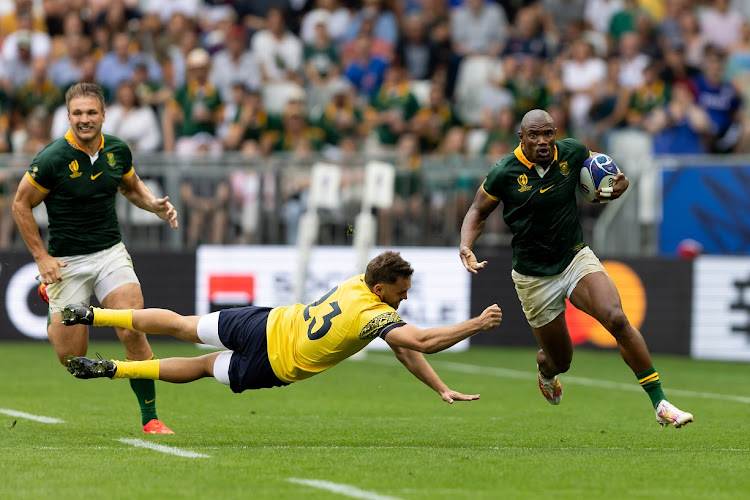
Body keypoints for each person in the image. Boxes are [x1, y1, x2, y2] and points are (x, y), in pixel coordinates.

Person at [458, 109, 694, 428]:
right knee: (560, 360)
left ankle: (661, 403)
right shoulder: (504, 172)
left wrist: (615, 185)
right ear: (521, 138)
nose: (542, 141)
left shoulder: (572, 151)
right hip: (533, 277)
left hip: (574, 258)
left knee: (616, 318)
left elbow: (602, 171)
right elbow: (477, 210)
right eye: (534, 135)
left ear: (555, 133)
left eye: (548, 134)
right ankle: (546, 372)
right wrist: (466, 245)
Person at [63, 251, 503, 404]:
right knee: (198, 367)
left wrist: (439, 387)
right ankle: (115, 370)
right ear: (382, 288)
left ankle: (93, 314)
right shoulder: (372, 315)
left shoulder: (355, 285)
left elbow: (407, 350)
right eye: (401, 291)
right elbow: (422, 341)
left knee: (179, 324)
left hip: (265, 321)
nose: (405, 297)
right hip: (272, 364)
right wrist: (477, 324)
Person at [11, 82, 180, 434]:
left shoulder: (117, 149)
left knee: (132, 327)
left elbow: (130, 185)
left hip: (109, 253)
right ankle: (51, 306)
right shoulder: (51, 159)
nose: (84, 119)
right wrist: (42, 258)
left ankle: (150, 417)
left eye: (91, 113)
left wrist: (154, 206)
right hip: (67, 262)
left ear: (103, 115)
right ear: (68, 116)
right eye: (78, 113)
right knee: (73, 360)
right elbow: (20, 204)